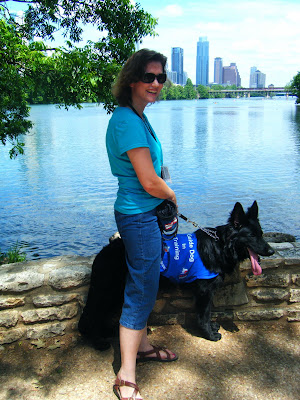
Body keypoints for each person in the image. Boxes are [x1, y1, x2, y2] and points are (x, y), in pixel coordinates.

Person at [106, 49, 178, 400]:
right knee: (140, 291)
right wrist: (173, 197)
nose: (155, 84)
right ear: (132, 79)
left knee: (145, 284)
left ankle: (144, 347)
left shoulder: (138, 116)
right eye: (149, 77)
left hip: (142, 214)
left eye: (161, 78)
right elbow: (150, 181)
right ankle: (126, 376)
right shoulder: (127, 121)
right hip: (138, 215)